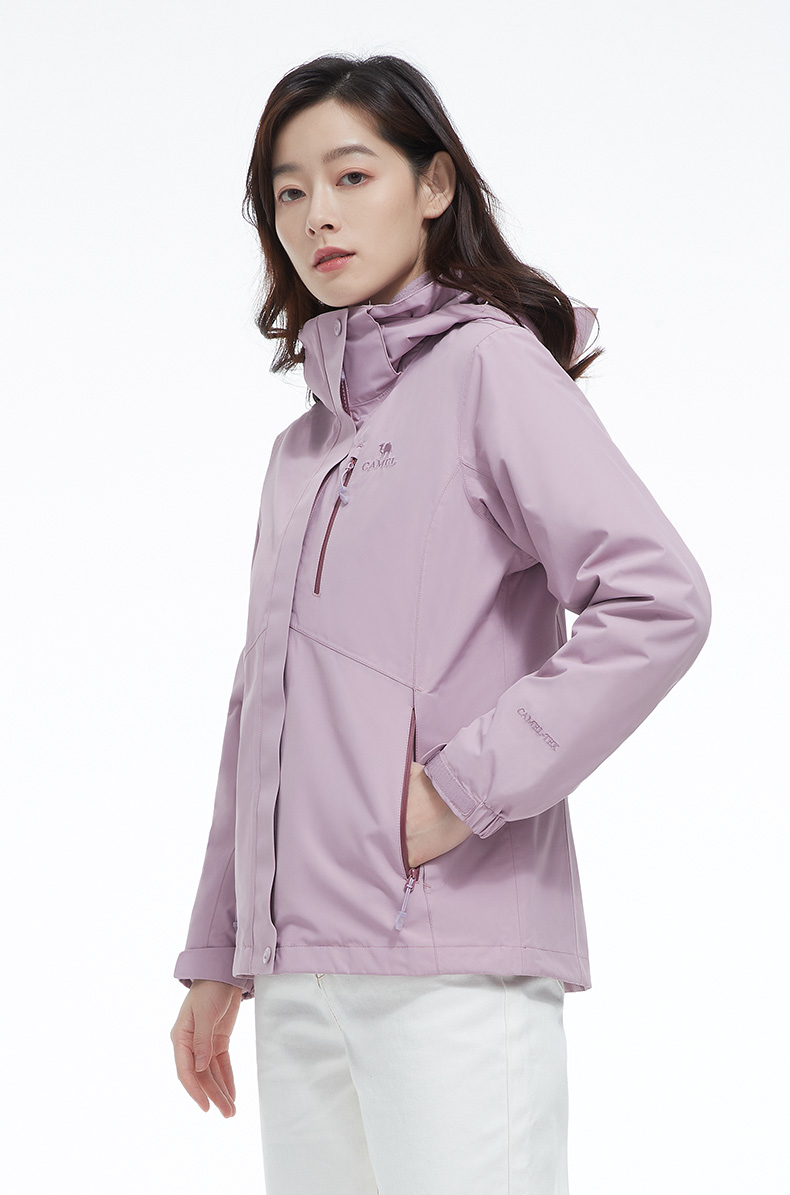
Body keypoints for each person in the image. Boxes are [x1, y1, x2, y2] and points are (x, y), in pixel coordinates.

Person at [170, 52, 712, 1194]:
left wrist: (463, 790)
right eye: (287, 191)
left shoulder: (488, 372)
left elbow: (657, 597)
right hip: (299, 975)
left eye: (351, 175)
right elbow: (259, 709)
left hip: (450, 965)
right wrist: (219, 948)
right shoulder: (301, 451)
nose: (317, 215)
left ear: (433, 184)